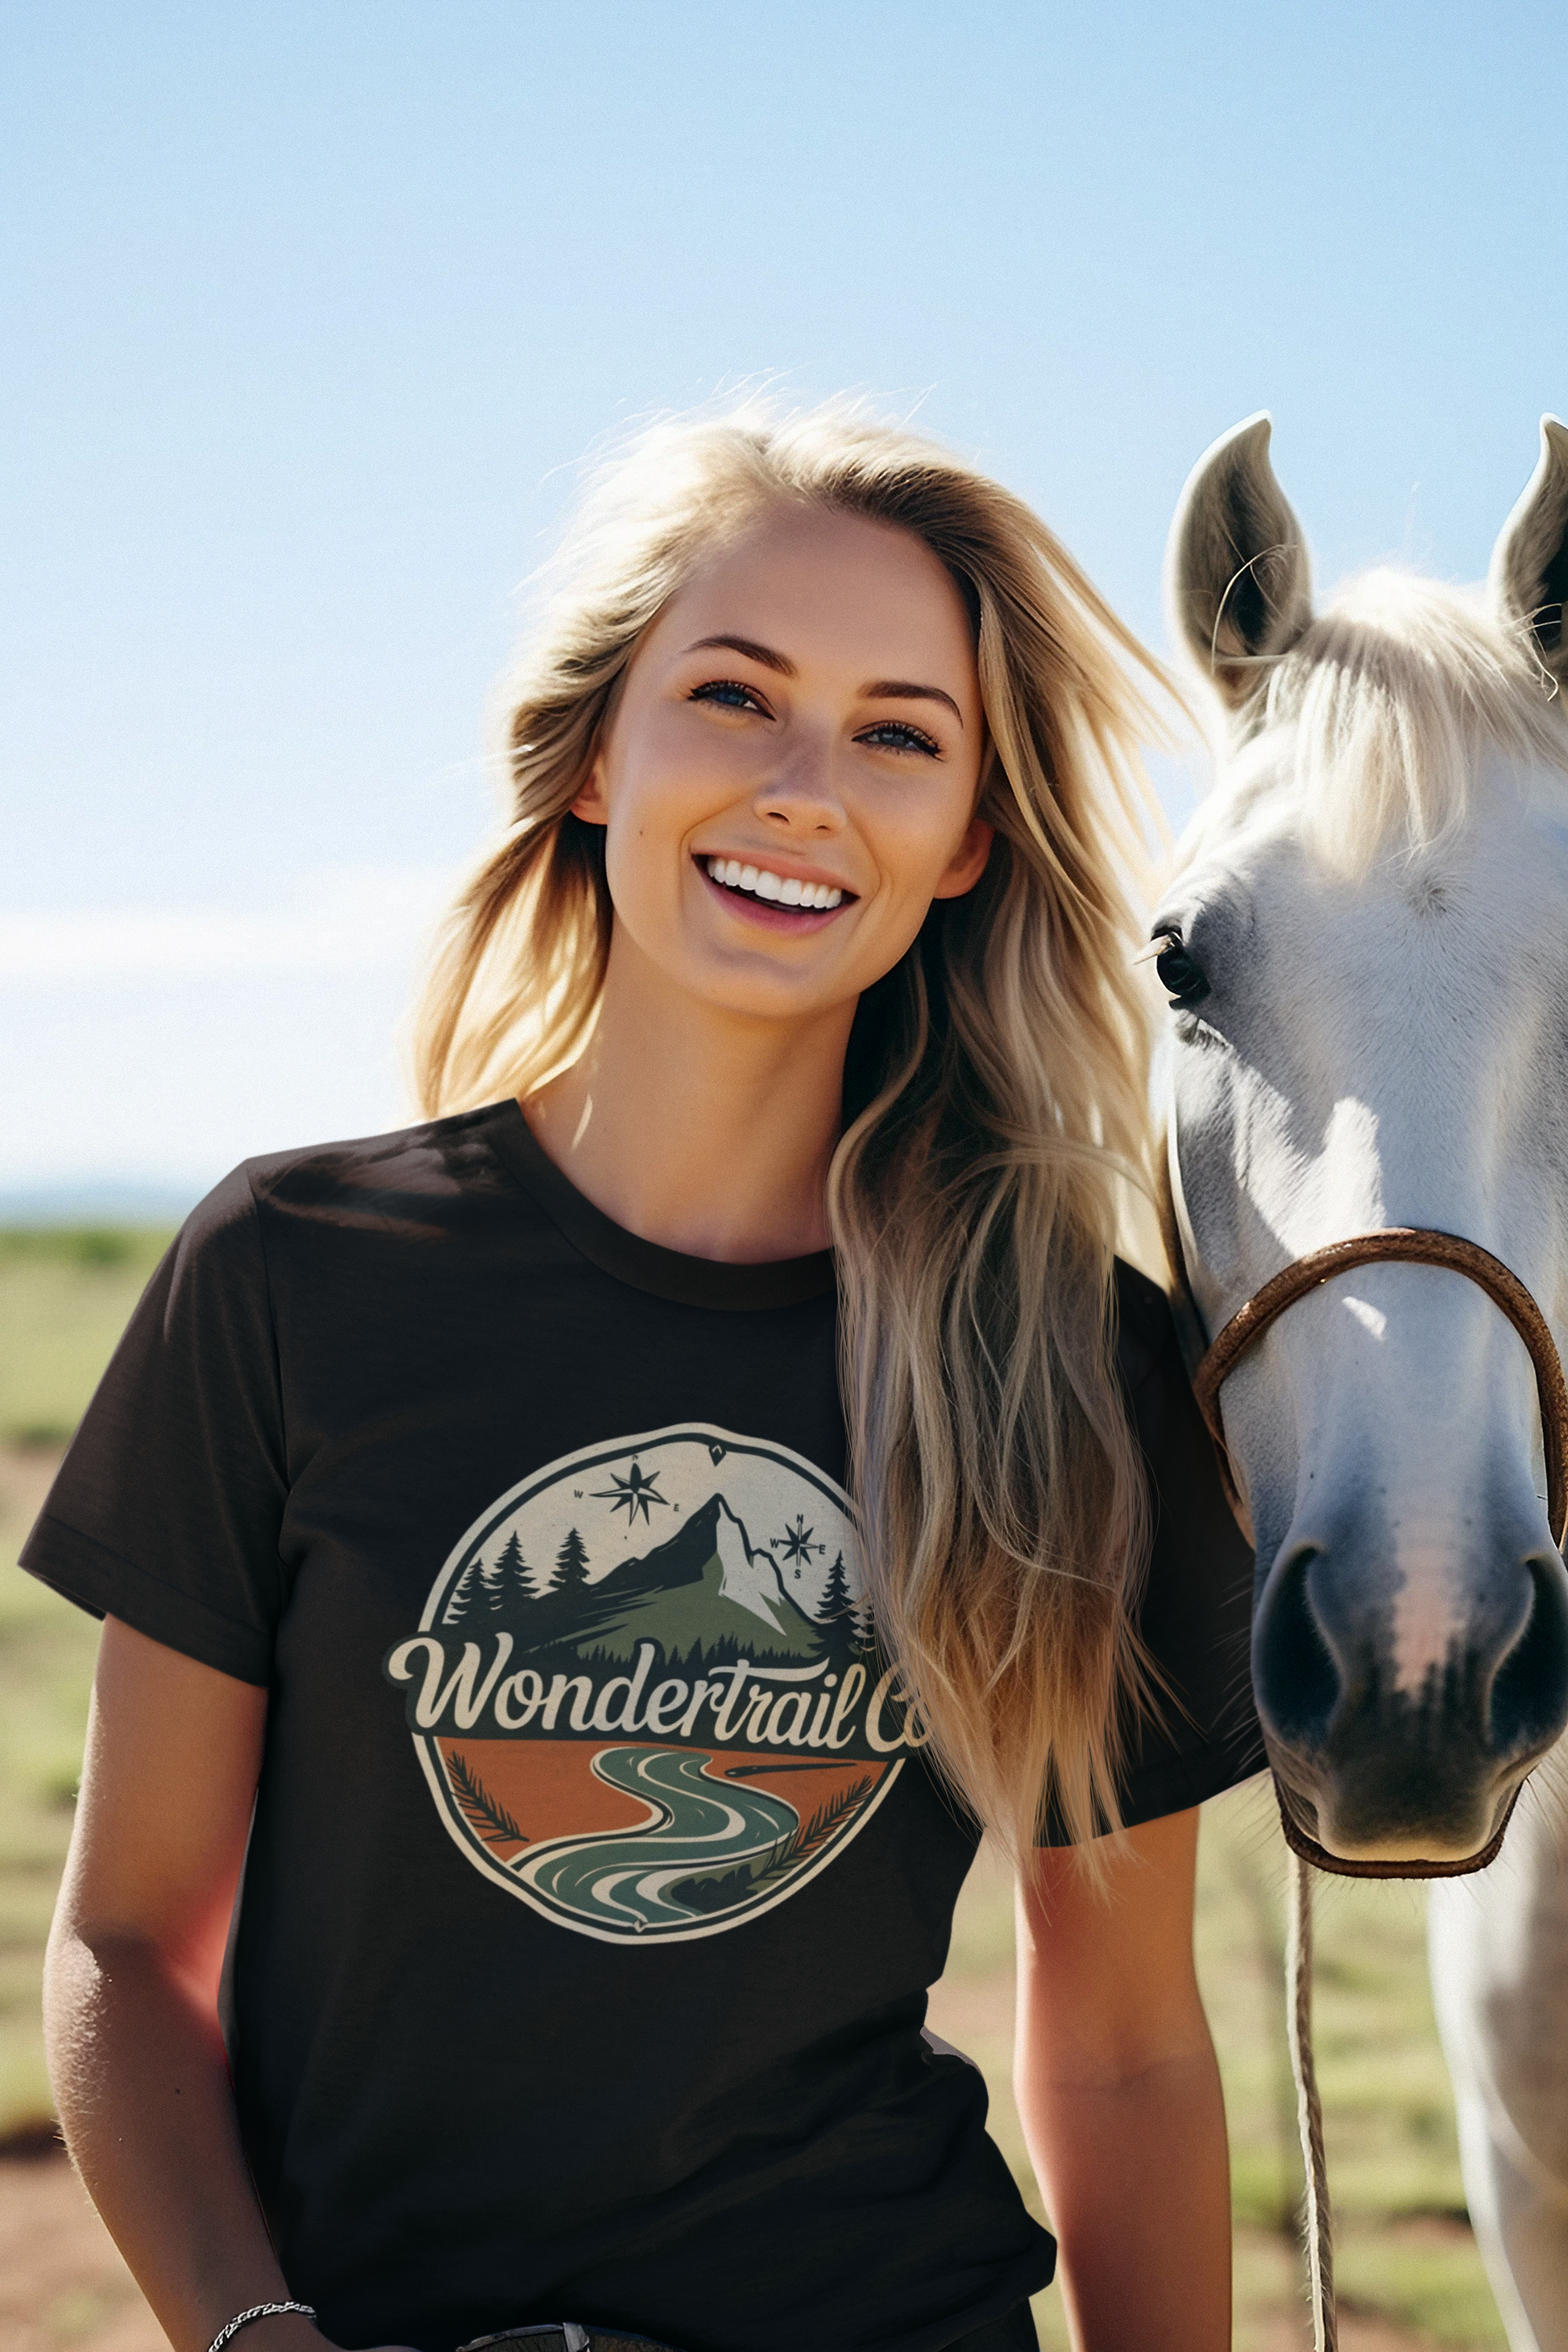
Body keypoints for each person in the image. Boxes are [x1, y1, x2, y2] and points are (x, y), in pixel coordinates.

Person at [28, 404, 1262, 2352]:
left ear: (965, 847)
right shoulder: (288, 1274)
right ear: (599, 749)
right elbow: (122, 1946)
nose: (804, 788)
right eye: (735, 697)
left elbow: (1117, 2045)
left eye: (897, 734)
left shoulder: (1072, 1364)